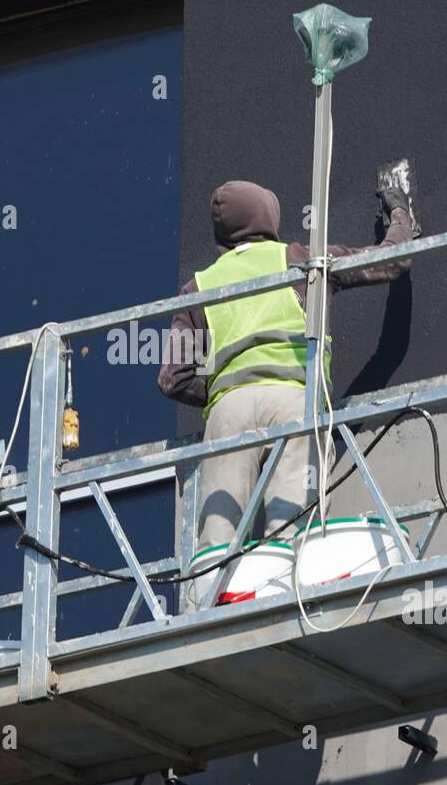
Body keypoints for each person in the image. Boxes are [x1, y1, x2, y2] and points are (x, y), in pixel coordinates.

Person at [157, 178, 417, 569]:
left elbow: (172, 378)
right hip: (293, 401)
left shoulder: (198, 287)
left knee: (217, 540)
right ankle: (288, 603)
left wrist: (226, 386)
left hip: (228, 414)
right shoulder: (298, 259)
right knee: (293, 530)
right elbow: (390, 260)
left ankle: (213, 611)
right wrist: (400, 214)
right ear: (267, 217)